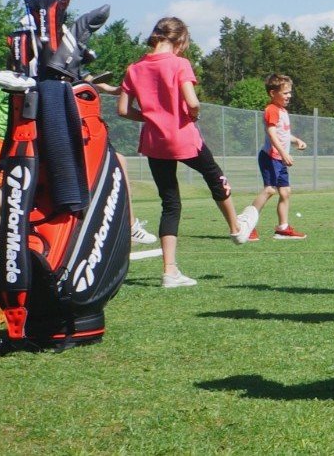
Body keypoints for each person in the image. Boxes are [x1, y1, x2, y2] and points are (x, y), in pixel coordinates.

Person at [117, 17, 250, 288]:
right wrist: (193, 113)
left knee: (170, 203)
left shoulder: (134, 68)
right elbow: (193, 101)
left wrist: (151, 118)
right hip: (183, 138)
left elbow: (122, 109)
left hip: (154, 142)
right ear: (179, 40)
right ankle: (236, 229)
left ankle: (170, 271)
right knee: (215, 177)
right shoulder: (180, 64)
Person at [243, 74, 308, 240]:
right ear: (273, 93)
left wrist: (296, 141)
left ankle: (282, 228)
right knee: (270, 190)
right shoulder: (271, 110)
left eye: (290, 93)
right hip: (270, 157)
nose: (289, 96)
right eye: (285, 93)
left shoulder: (282, 111)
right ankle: (246, 225)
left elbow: (283, 134)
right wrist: (284, 153)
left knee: (285, 192)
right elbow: (272, 133)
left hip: (279, 159)